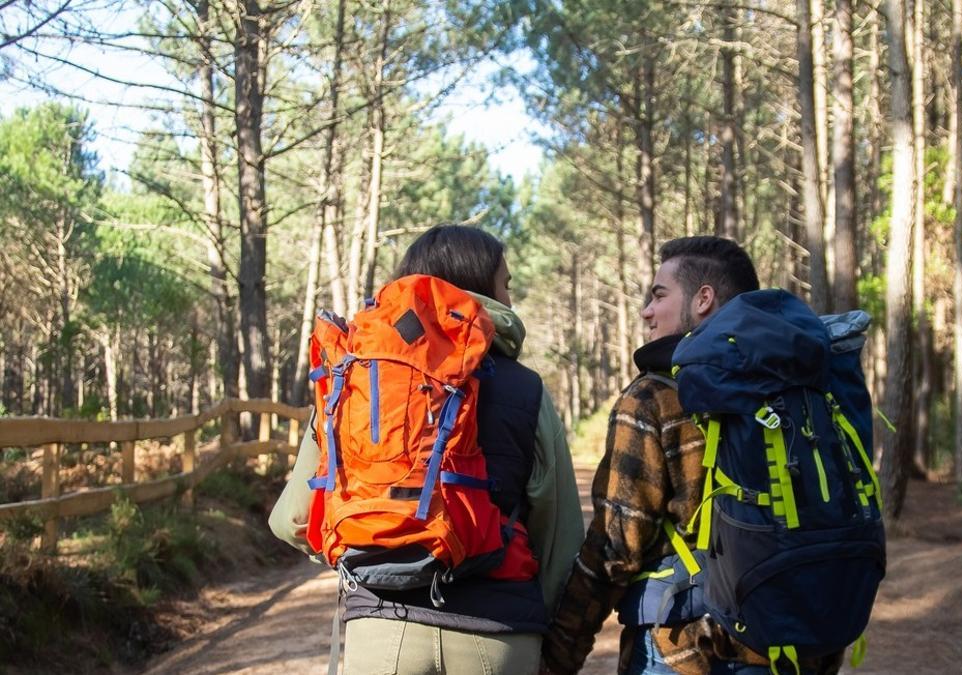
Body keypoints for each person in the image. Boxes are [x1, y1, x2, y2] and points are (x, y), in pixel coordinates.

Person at [270, 224, 584, 675]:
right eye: (507, 285)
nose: (512, 299)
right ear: (483, 288)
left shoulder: (355, 380)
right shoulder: (527, 389)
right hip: (499, 632)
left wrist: (365, 545)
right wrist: (542, 624)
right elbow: (561, 536)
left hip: (382, 627)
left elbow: (289, 521)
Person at [541, 236, 843, 675]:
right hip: (794, 648)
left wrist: (559, 655)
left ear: (703, 299)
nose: (647, 311)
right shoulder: (802, 394)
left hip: (686, 653)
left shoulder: (655, 397)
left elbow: (613, 549)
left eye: (659, 295)